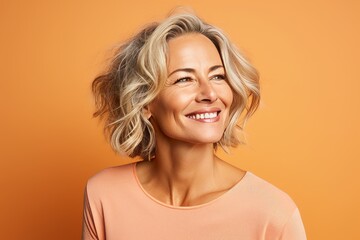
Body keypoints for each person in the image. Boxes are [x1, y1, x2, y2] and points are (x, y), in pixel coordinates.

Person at [82, 11, 307, 240]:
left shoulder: (273, 214)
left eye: (218, 76)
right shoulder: (104, 195)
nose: (209, 93)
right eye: (184, 79)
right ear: (144, 103)